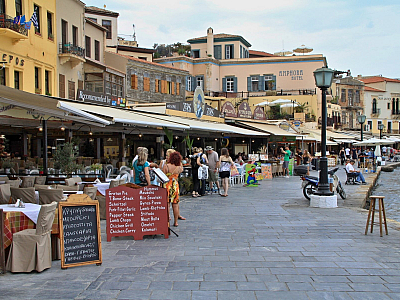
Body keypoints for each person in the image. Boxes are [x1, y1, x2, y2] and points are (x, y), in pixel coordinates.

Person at [162, 151, 185, 227]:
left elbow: (162, 175)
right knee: (175, 204)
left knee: (167, 204)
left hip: (167, 185)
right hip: (175, 185)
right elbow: (182, 170)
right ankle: (176, 222)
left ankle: (167, 222)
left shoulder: (167, 166)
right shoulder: (179, 167)